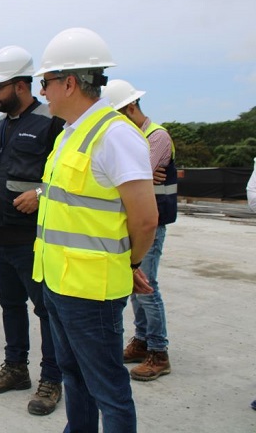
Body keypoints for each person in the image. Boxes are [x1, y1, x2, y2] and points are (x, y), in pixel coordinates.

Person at [31, 27, 158, 432]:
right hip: (58, 281)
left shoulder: (116, 136)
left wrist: (129, 262)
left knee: (109, 388)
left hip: (91, 291)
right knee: (74, 375)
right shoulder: (71, 134)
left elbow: (144, 219)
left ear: (69, 82)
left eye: (45, 83)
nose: (42, 92)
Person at [0, 46, 64, 415]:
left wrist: (42, 194)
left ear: (22, 86)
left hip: (33, 239)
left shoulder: (51, 122)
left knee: (46, 311)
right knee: (11, 306)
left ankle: (52, 379)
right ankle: (15, 369)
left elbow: (68, 178)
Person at [102, 79, 177, 381]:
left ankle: (159, 352)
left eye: (118, 114)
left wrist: (139, 174)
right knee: (133, 284)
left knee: (147, 286)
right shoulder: (135, 137)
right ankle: (142, 340)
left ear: (131, 107)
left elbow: (131, 176)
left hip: (152, 222)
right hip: (134, 219)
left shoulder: (156, 136)